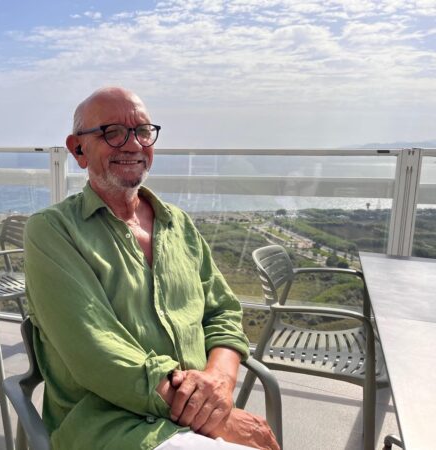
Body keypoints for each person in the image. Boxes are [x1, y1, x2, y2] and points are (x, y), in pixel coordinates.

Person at [24, 86, 279, 450]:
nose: (132, 145)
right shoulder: (52, 231)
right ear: (78, 149)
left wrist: (220, 381)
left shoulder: (178, 225)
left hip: (199, 412)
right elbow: (98, 353)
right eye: (112, 132)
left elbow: (222, 311)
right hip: (113, 425)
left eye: (142, 131)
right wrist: (218, 414)